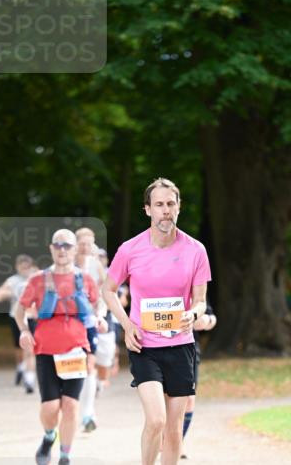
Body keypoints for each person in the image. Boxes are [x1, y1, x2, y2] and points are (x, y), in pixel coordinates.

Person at [102, 177, 211, 465]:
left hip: (181, 346)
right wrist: (127, 325)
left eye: (170, 204)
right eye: (159, 204)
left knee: (174, 431)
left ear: (179, 208)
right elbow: (108, 290)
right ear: (148, 210)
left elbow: (200, 300)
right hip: (145, 345)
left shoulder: (196, 250)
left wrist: (194, 313)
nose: (165, 210)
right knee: (156, 421)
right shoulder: (130, 249)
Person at [15, 229, 98, 465]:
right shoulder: (38, 280)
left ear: (74, 250)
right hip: (46, 351)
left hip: (76, 350)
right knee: (51, 408)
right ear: (51, 249)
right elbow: (20, 311)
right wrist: (24, 330)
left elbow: (98, 305)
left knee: (71, 406)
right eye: (58, 245)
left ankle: (64, 455)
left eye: (67, 246)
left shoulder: (84, 279)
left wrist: (100, 318)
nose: (62, 250)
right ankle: (49, 435)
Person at [75, 227, 108, 433]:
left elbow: (105, 292)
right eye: (82, 243)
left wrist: (100, 314)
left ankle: (88, 413)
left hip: (89, 321)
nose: (86, 247)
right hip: (68, 321)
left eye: (89, 243)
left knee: (89, 363)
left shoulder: (96, 266)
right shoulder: (66, 264)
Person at [0, 254, 37, 393]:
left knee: (30, 350)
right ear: (17, 267)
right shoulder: (13, 281)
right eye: (21, 267)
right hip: (16, 318)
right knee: (19, 350)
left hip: (32, 318)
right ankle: (21, 368)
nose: (24, 269)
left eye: (27, 267)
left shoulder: (36, 279)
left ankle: (29, 380)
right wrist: (10, 292)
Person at [180, 304, 217, 460]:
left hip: (190, 348)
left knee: (189, 399)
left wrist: (206, 320)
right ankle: (165, 437)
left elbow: (211, 316)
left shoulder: (195, 282)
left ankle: (177, 441)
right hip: (159, 346)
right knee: (166, 398)